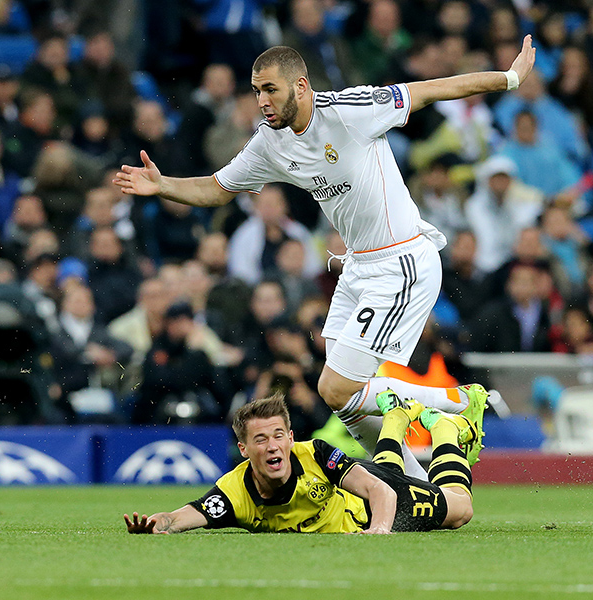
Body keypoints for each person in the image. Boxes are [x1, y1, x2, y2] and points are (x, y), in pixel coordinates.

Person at [115, 38, 538, 477]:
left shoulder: (351, 109)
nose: (262, 100)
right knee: (341, 397)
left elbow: (431, 88)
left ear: (300, 86)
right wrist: (164, 185)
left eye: (270, 89)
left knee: (338, 386)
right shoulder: (269, 142)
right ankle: (414, 484)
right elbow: (216, 188)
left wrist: (508, 78)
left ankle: (461, 401)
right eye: (256, 91)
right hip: (357, 267)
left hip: (401, 262)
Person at [124, 392, 481, 534]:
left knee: (460, 510)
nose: (273, 446)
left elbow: (380, 490)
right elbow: (190, 514)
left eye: (278, 436)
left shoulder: (316, 454)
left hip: (373, 507)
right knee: (388, 467)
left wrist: (380, 532)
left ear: (291, 438)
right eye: (261, 439)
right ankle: (397, 419)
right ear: (244, 449)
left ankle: (448, 429)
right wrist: (162, 522)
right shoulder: (235, 491)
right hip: (377, 483)